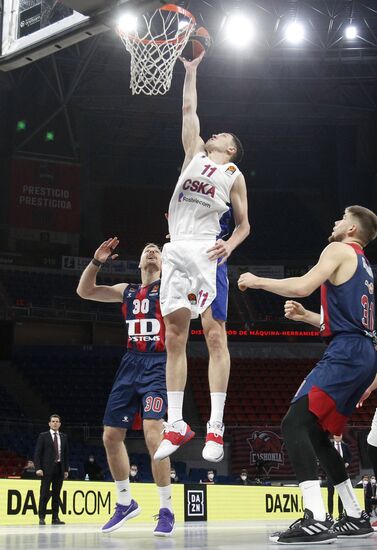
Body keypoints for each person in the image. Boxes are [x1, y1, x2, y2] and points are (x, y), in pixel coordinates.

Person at [238, 205, 377, 543]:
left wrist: (257, 281)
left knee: (293, 423)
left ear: (352, 231)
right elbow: (353, 324)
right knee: (316, 434)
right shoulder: (365, 267)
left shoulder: (337, 249)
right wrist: (306, 317)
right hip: (363, 354)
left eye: (342, 218)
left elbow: (302, 285)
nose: (335, 221)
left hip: (345, 353)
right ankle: (355, 515)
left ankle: (315, 516)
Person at [154, 51, 250, 464]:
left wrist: (230, 245)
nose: (215, 134)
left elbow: (245, 225)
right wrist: (191, 71)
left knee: (213, 336)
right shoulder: (193, 152)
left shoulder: (234, 176)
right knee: (174, 337)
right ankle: (176, 423)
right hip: (176, 247)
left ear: (231, 149)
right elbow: (189, 108)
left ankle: (215, 425)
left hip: (208, 249)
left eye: (223, 135)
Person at [77, 238, 174, 537]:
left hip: (158, 364)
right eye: (147, 249)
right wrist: (96, 261)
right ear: (139, 263)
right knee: (110, 436)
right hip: (130, 363)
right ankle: (124, 502)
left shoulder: (170, 288)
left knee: (153, 435)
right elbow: (85, 291)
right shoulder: (127, 291)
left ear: (163, 262)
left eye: (157, 250)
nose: (152, 251)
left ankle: (166, 509)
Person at [34, 414, 69, 525]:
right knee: (44, 493)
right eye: (53, 421)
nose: (55, 423)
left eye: (57, 421)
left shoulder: (64, 437)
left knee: (56, 494)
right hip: (46, 469)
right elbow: (37, 454)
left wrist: (66, 470)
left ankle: (55, 518)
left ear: (60, 424)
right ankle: (42, 517)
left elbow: (66, 454)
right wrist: (38, 468)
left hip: (59, 468)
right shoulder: (43, 436)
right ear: (49, 423)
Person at [327, 435, 351, 518]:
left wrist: (347, 462)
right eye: (336, 435)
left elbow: (350, 457)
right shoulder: (329, 446)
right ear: (333, 436)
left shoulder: (345, 446)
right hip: (331, 473)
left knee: (341, 494)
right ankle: (330, 514)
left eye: (339, 435)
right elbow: (324, 457)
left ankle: (340, 514)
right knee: (330, 494)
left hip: (342, 473)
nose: (337, 437)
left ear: (341, 436)